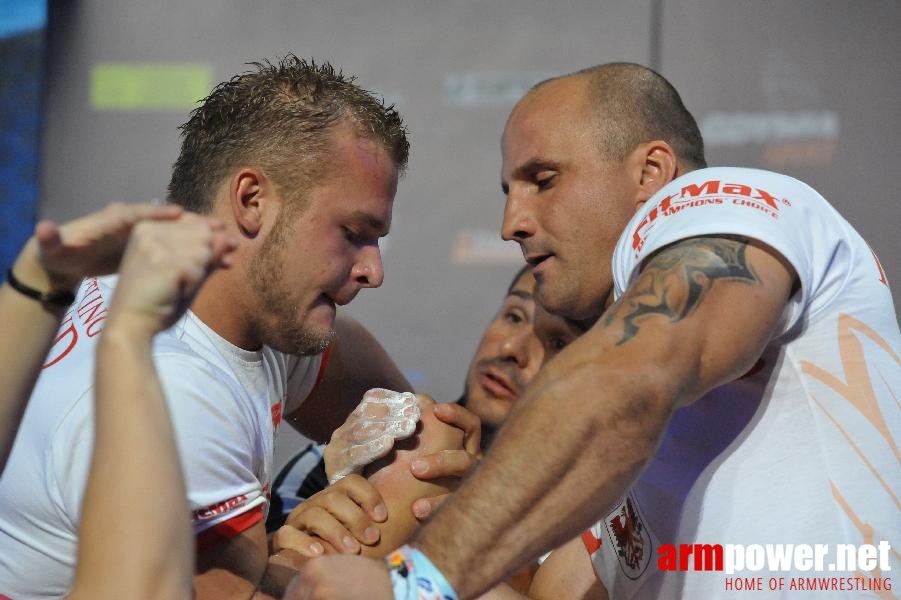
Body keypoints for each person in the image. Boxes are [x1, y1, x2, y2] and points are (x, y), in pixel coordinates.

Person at [289, 62, 901, 599]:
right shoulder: (645, 454)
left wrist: (416, 582)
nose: (512, 223)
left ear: (652, 172)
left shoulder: (722, 202)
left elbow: (624, 380)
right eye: (509, 191)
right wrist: (388, 530)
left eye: (544, 180)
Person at [0, 55, 465, 600]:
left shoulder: (235, 303)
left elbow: (417, 427)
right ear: (251, 200)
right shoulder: (182, 393)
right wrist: (321, 549)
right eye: (354, 232)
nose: (373, 270)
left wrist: (295, 547)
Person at [264, 265, 584, 535]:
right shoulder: (348, 457)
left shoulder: (586, 525)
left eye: (557, 342)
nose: (512, 349)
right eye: (514, 316)